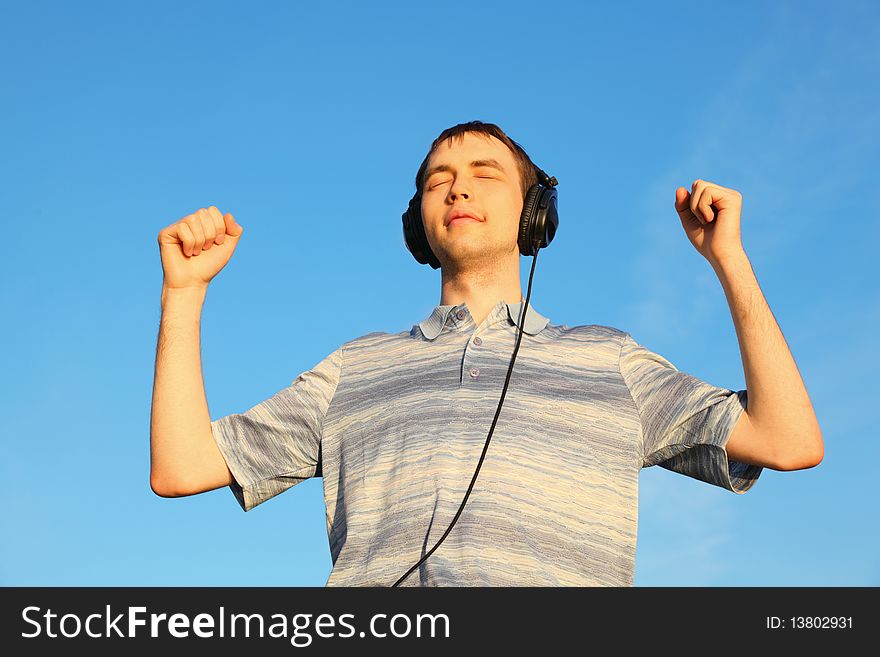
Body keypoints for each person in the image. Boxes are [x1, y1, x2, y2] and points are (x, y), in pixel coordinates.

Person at [150, 120, 824, 586]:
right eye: (438, 177)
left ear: (535, 214)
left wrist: (728, 259)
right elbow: (182, 467)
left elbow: (788, 438)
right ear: (418, 221)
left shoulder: (609, 361)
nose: (458, 187)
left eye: (484, 173)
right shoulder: (355, 369)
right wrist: (183, 293)